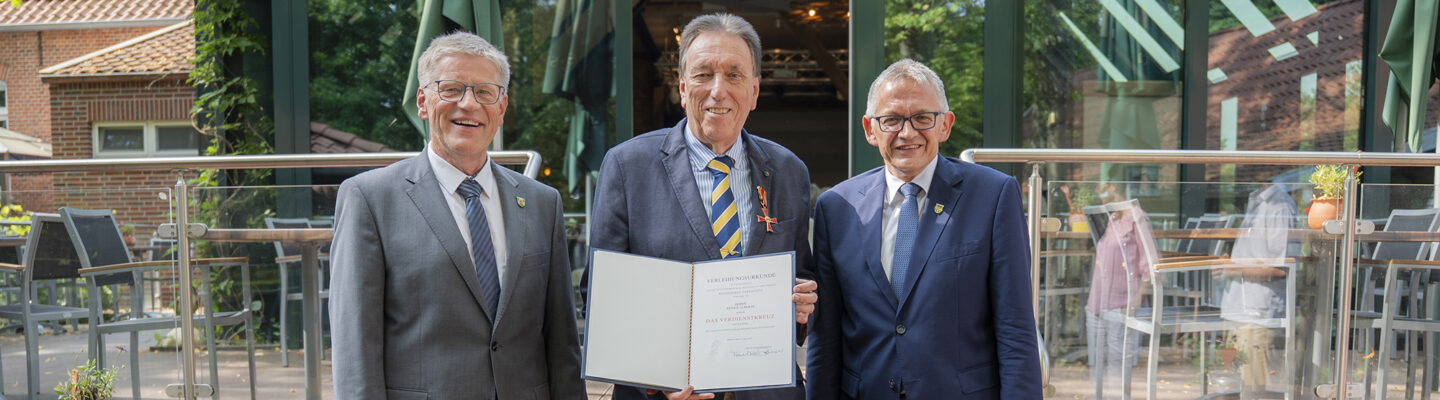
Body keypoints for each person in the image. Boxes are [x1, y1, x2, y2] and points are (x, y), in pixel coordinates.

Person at [329, 31, 586, 400]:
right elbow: (356, 347)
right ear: (423, 101)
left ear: (501, 107)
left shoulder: (542, 202)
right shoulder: (370, 199)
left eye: (485, 92)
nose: (469, 104)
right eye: (451, 89)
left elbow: (562, 342)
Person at [590, 12, 817, 400]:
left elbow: (804, 278)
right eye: (703, 74)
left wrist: (805, 303)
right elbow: (599, 295)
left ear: (755, 90)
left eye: (734, 75)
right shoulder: (628, 166)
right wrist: (653, 380)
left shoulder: (788, 170)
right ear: (682, 88)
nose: (718, 90)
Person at [806, 59, 1042, 399]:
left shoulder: (993, 196)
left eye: (922, 118)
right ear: (870, 129)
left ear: (945, 125)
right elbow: (825, 338)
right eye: (891, 120)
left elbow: (1016, 329)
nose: (907, 132)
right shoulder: (836, 207)